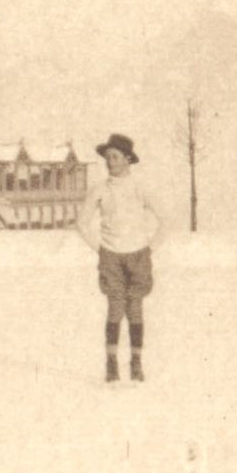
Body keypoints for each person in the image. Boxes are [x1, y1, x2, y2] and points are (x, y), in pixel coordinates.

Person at [76, 133, 166, 383]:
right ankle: (111, 364)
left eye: (115, 157)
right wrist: (101, 249)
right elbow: (82, 223)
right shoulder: (100, 190)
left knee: (135, 307)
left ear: (128, 159)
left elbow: (166, 221)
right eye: (107, 158)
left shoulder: (141, 188)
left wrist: (149, 249)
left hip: (138, 255)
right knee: (115, 307)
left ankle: (136, 363)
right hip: (111, 257)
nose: (110, 162)